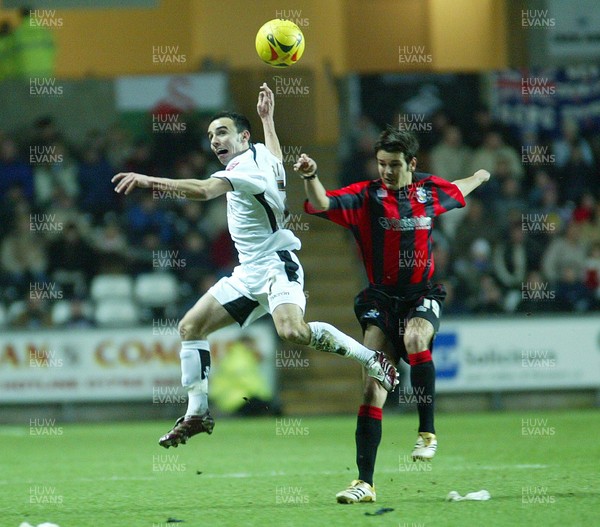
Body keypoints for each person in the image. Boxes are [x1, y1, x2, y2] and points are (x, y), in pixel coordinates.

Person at [112, 83, 398, 448]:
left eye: (222, 132)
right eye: (211, 135)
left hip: (277, 264)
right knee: (190, 327)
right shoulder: (261, 155)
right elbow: (276, 157)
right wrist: (268, 118)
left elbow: (202, 191)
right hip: (248, 272)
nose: (215, 140)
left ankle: (372, 359)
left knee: (292, 332)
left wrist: (148, 179)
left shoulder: (246, 170)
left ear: (242, 137)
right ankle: (197, 413)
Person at [294, 126, 490, 504]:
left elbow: (458, 188)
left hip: (422, 295)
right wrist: (310, 176)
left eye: (394, 164)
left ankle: (427, 433)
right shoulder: (365, 197)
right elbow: (320, 203)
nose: (385, 170)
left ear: (412, 164)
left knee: (417, 338)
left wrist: (480, 175)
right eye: (381, 163)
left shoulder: (428, 190)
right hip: (381, 301)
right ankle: (364, 483)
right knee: (371, 387)